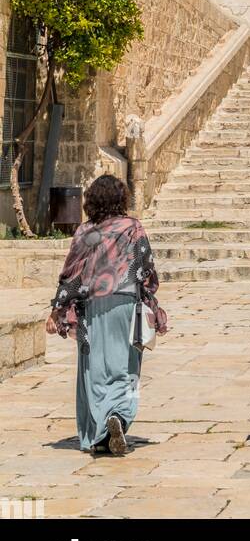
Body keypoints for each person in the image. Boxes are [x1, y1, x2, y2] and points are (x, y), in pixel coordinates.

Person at [46, 174, 167, 456]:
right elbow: (145, 268)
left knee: (94, 370)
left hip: (91, 310)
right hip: (125, 305)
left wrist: (58, 310)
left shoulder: (85, 232)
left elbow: (71, 275)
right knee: (126, 368)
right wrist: (148, 298)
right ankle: (120, 416)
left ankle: (101, 428)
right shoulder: (133, 227)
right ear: (121, 199)